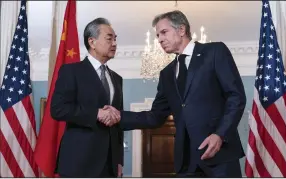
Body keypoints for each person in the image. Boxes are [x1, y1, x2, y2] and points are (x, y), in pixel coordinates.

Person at [100, 10, 246, 177]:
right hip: (186, 162)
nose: (160, 39)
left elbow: (236, 96)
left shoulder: (214, 51)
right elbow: (155, 116)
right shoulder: (166, 74)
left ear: (182, 30)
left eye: (164, 32)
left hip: (219, 156)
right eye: (157, 36)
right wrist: (119, 116)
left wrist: (220, 134)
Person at [51, 17, 123, 177]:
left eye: (115, 39)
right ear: (92, 42)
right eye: (109, 38)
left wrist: (118, 160)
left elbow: (118, 122)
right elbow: (58, 109)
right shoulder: (71, 71)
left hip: (109, 165)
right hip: (78, 161)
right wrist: (96, 113)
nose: (114, 44)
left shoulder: (117, 79)